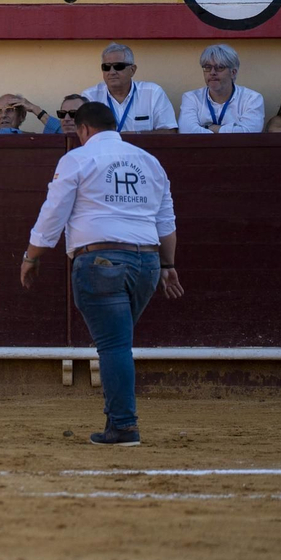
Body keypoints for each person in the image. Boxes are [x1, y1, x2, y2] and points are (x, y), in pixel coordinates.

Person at [20, 100, 182, 448]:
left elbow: (54, 212)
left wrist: (32, 256)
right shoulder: (150, 162)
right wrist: (168, 266)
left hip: (101, 261)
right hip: (148, 263)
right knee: (118, 344)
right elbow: (165, 220)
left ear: (84, 130)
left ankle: (123, 426)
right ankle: (117, 421)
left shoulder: (78, 158)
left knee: (114, 346)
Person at [82, 42, 178, 131]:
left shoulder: (152, 93)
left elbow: (170, 131)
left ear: (132, 70)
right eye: (106, 67)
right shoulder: (90, 97)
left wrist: (136, 136)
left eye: (118, 66)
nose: (111, 72)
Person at [176, 43, 266, 133]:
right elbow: (186, 131)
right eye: (207, 67)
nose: (212, 72)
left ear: (233, 72)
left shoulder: (252, 99)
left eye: (219, 67)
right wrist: (231, 130)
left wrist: (209, 128)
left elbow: (249, 134)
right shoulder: (191, 98)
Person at [0, 93, 64, 134]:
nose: (3, 115)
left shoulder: (33, 140)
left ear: (22, 116)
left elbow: (62, 132)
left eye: (9, 110)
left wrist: (35, 109)